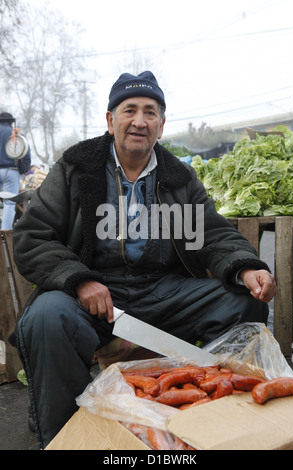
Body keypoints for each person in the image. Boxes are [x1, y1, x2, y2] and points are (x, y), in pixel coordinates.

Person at [12, 71, 276, 449]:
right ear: (110, 120)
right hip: (96, 291)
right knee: (47, 316)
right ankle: (66, 436)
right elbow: (32, 235)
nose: (139, 121)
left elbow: (211, 233)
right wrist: (79, 279)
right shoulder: (77, 167)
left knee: (241, 299)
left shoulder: (179, 176)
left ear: (161, 125)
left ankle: (213, 420)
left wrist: (246, 266)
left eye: (150, 112)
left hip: (164, 289)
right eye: (129, 110)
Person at [0, 112, 31, 229]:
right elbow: (25, 153)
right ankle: (4, 235)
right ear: (11, 122)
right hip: (11, 171)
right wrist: (23, 169)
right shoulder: (15, 134)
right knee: (9, 203)